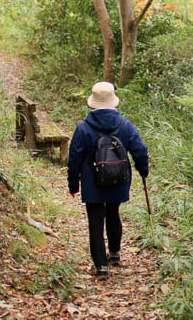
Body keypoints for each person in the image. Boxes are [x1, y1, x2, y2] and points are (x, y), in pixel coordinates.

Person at [67, 81, 149, 280]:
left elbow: (74, 158)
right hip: (118, 179)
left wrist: (73, 184)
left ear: (93, 103)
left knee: (95, 221)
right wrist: (143, 170)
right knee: (113, 212)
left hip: (92, 181)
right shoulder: (125, 125)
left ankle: (101, 266)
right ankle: (114, 254)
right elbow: (139, 150)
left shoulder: (83, 128)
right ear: (113, 101)